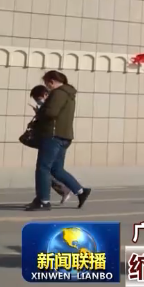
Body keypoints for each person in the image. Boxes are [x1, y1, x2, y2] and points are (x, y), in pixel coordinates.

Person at [26, 70, 91, 211]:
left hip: (52, 136)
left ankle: (43, 201)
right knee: (56, 169)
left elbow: (51, 113)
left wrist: (40, 112)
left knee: (43, 168)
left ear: (51, 81)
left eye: (46, 83)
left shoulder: (58, 93)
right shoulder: (69, 94)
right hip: (65, 136)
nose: (47, 86)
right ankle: (80, 191)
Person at [28, 86, 72, 205]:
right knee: (47, 169)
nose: (38, 101)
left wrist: (40, 114)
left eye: (39, 98)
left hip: (53, 139)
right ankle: (61, 191)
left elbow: (50, 120)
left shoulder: (53, 105)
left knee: (46, 169)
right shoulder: (47, 106)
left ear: (46, 95)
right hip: (48, 139)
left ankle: (68, 190)